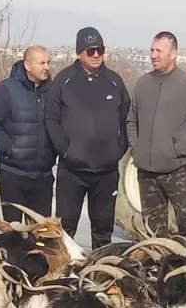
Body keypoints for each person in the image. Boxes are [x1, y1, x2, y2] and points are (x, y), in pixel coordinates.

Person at [44, 27, 130, 245]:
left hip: (106, 172)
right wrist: (66, 151)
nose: (95, 55)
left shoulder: (114, 82)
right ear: (79, 53)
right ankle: (62, 275)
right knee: (65, 230)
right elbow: (51, 119)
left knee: (102, 230)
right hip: (72, 171)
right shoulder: (63, 81)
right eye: (90, 51)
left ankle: (100, 274)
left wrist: (118, 150)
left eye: (99, 50)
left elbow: (127, 119)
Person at [127, 31, 186, 237]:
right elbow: (131, 120)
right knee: (154, 232)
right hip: (147, 172)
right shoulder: (143, 84)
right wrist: (136, 149)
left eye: (159, 51)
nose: (154, 55)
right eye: (152, 50)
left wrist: (179, 150)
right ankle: (157, 267)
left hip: (178, 171)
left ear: (173, 54)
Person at [0, 45, 55, 217]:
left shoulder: (54, 91)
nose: (46, 67)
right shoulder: (7, 89)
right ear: (27, 65)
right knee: (14, 235)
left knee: (40, 236)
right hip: (14, 175)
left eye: (48, 62)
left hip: (43, 177)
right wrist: (9, 149)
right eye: (41, 63)